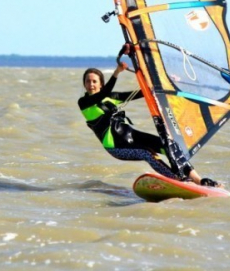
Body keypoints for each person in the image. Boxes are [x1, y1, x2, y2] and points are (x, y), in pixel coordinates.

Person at [77, 49, 219, 188]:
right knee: (147, 153)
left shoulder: (111, 97)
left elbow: (141, 93)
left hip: (130, 135)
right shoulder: (84, 103)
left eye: (94, 82)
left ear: (100, 84)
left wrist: (163, 84)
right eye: (88, 82)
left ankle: (198, 180)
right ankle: (178, 180)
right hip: (116, 146)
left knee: (169, 145)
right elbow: (103, 94)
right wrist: (117, 72)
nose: (91, 85)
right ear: (84, 84)